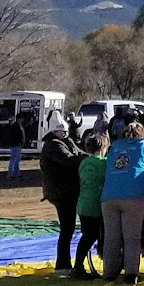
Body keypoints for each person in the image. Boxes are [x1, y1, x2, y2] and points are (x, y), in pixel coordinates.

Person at [100, 123, 144, 285]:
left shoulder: (115, 146)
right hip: (134, 195)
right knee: (132, 238)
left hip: (109, 196)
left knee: (111, 237)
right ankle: (131, 273)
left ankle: (109, 272)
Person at [39, 111, 85, 273]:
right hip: (62, 193)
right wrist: (90, 160)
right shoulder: (54, 145)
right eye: (61, 131)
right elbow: (69, 160)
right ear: (53, 131)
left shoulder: (66, 141)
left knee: (68, 228)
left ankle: (64, 263)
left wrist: (90, 156)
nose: (65, 133)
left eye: (65, 131)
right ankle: (63, 264)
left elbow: (78, 153)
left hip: (66, 191)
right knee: (67, 228)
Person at [71, 133, 108, 278]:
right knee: (101, 234)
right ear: (103, 147)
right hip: (97, 204)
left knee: (87, 236)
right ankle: (106, 260)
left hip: (83, 203)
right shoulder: (104, 163)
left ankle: (78, 265)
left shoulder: (84, 163)